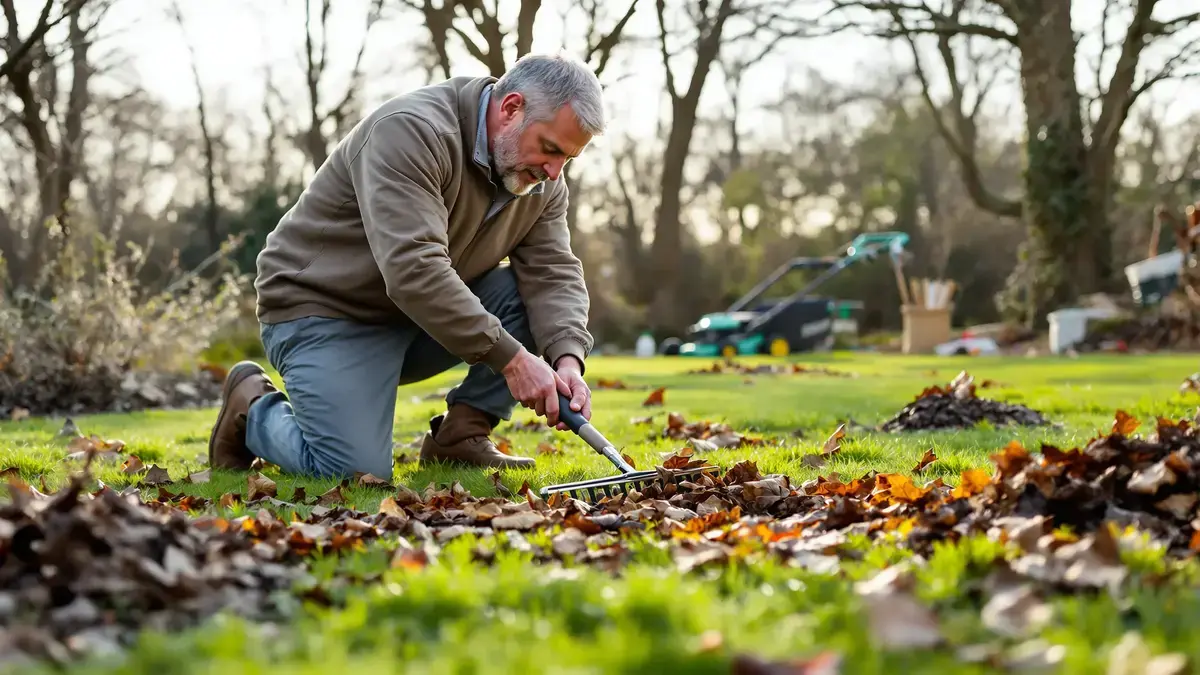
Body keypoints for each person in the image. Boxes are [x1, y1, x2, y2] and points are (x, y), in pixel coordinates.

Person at [206, 53, 603, 479]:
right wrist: (514, 361)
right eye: (549, 149)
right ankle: (251, 406)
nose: (554, 170)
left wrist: (567, 359)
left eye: (567, 159)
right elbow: (414, 269)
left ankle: (462, 435)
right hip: (324, 313)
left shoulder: (541, 181)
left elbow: (553, 272)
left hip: (418, 320)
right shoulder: (411, 131)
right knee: (353, 472)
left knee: (525, 295)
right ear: (510, 108)